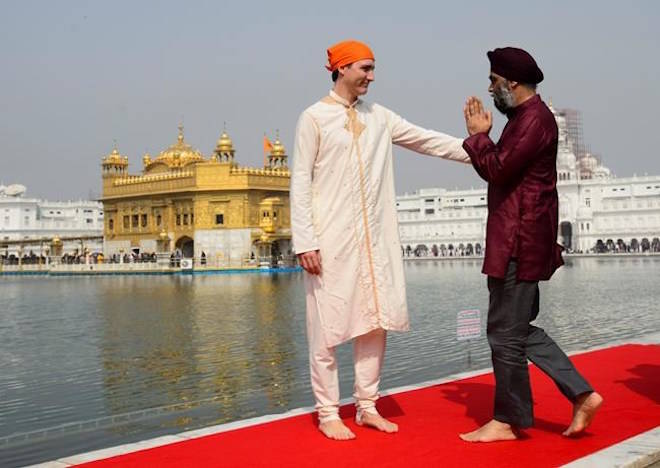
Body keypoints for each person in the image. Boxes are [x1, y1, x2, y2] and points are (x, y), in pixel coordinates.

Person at [290, 39, 470, 441]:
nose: (372, 76)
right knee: (326, 327)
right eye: (365, 69)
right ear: (341, 69)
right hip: (329, 240)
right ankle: (328, 412)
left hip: (375, 240)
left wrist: (480, 149)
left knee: (375, 320)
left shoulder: (380, 117)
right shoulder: (314, 118)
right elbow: (300, 181)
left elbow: (427, 140)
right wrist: (305, 240)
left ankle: (367, 405)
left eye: (373, 69)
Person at [460, 47, 603, 442]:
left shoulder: (533, 121)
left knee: (504, 333)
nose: (489, 89)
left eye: (493, 81)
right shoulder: (526, 119)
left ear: (513, 83)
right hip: (518, 236)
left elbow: (498, 169)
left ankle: (507, 421)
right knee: (516, 329)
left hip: (516, 241)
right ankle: (581, 394)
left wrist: (477, 138)